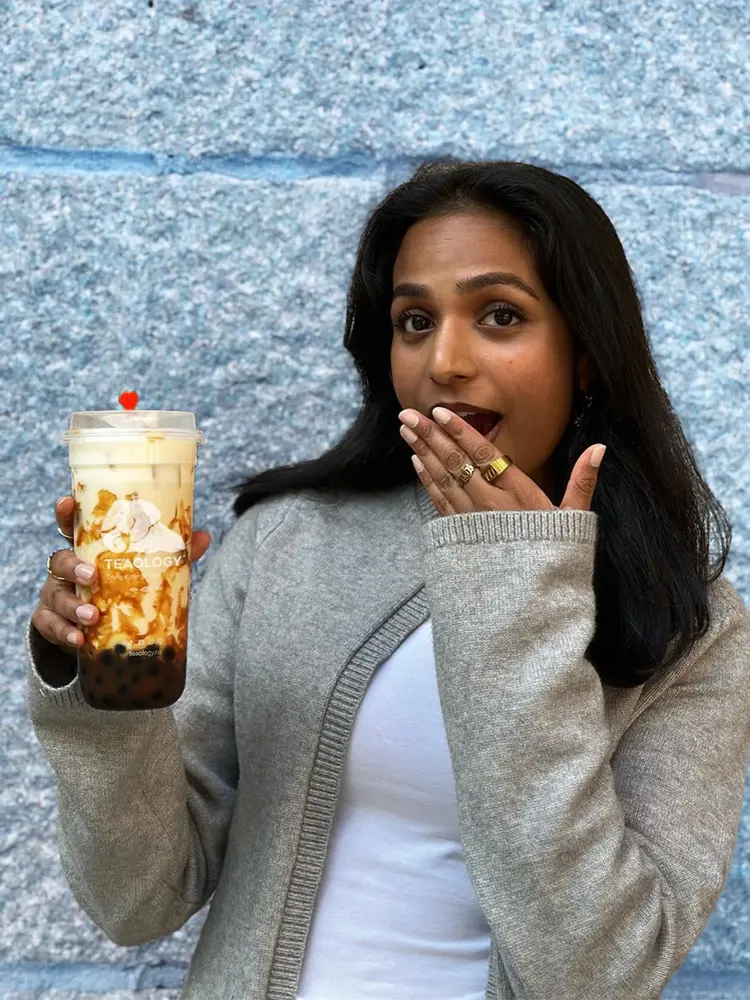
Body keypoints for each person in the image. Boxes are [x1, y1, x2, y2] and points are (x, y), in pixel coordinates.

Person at [27, 159, 750, 1000]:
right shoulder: (286, 542)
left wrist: (515, 580)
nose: (445, 361)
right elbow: (135, 901)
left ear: (585, 353)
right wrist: (101, 682)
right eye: (415, 320)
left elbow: (596, 973)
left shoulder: (692, 627)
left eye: (501, 315)